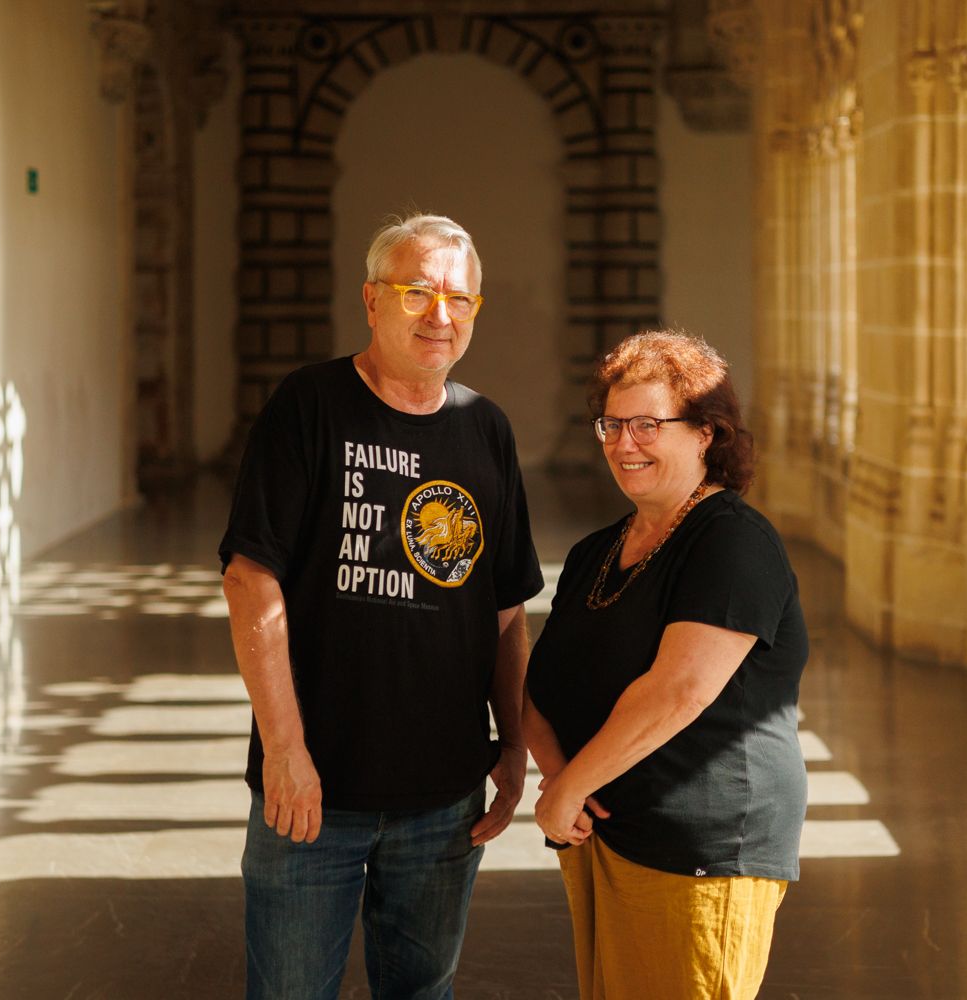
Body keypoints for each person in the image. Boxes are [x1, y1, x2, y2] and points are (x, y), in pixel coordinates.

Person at [219, 213, 543, 1000]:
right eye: (417, 293)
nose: (441, 315)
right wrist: (285, 752)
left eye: (460, 299)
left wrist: (511, 744)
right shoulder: (310, 406)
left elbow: (504, 608)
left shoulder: (486, 429)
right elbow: (249, 579)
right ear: (371, 300)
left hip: (443, 798)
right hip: (314, 793)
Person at [524, 329, 808, 1000]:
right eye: (612, 424)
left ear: (707, 432)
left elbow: (679, 690)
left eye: (649, 424)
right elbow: (541, 682)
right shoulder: (597, 550)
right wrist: (562, 781)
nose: (625, 444)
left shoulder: (732, 541)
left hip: (702, 851)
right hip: (605, 833)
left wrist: (566, 792)